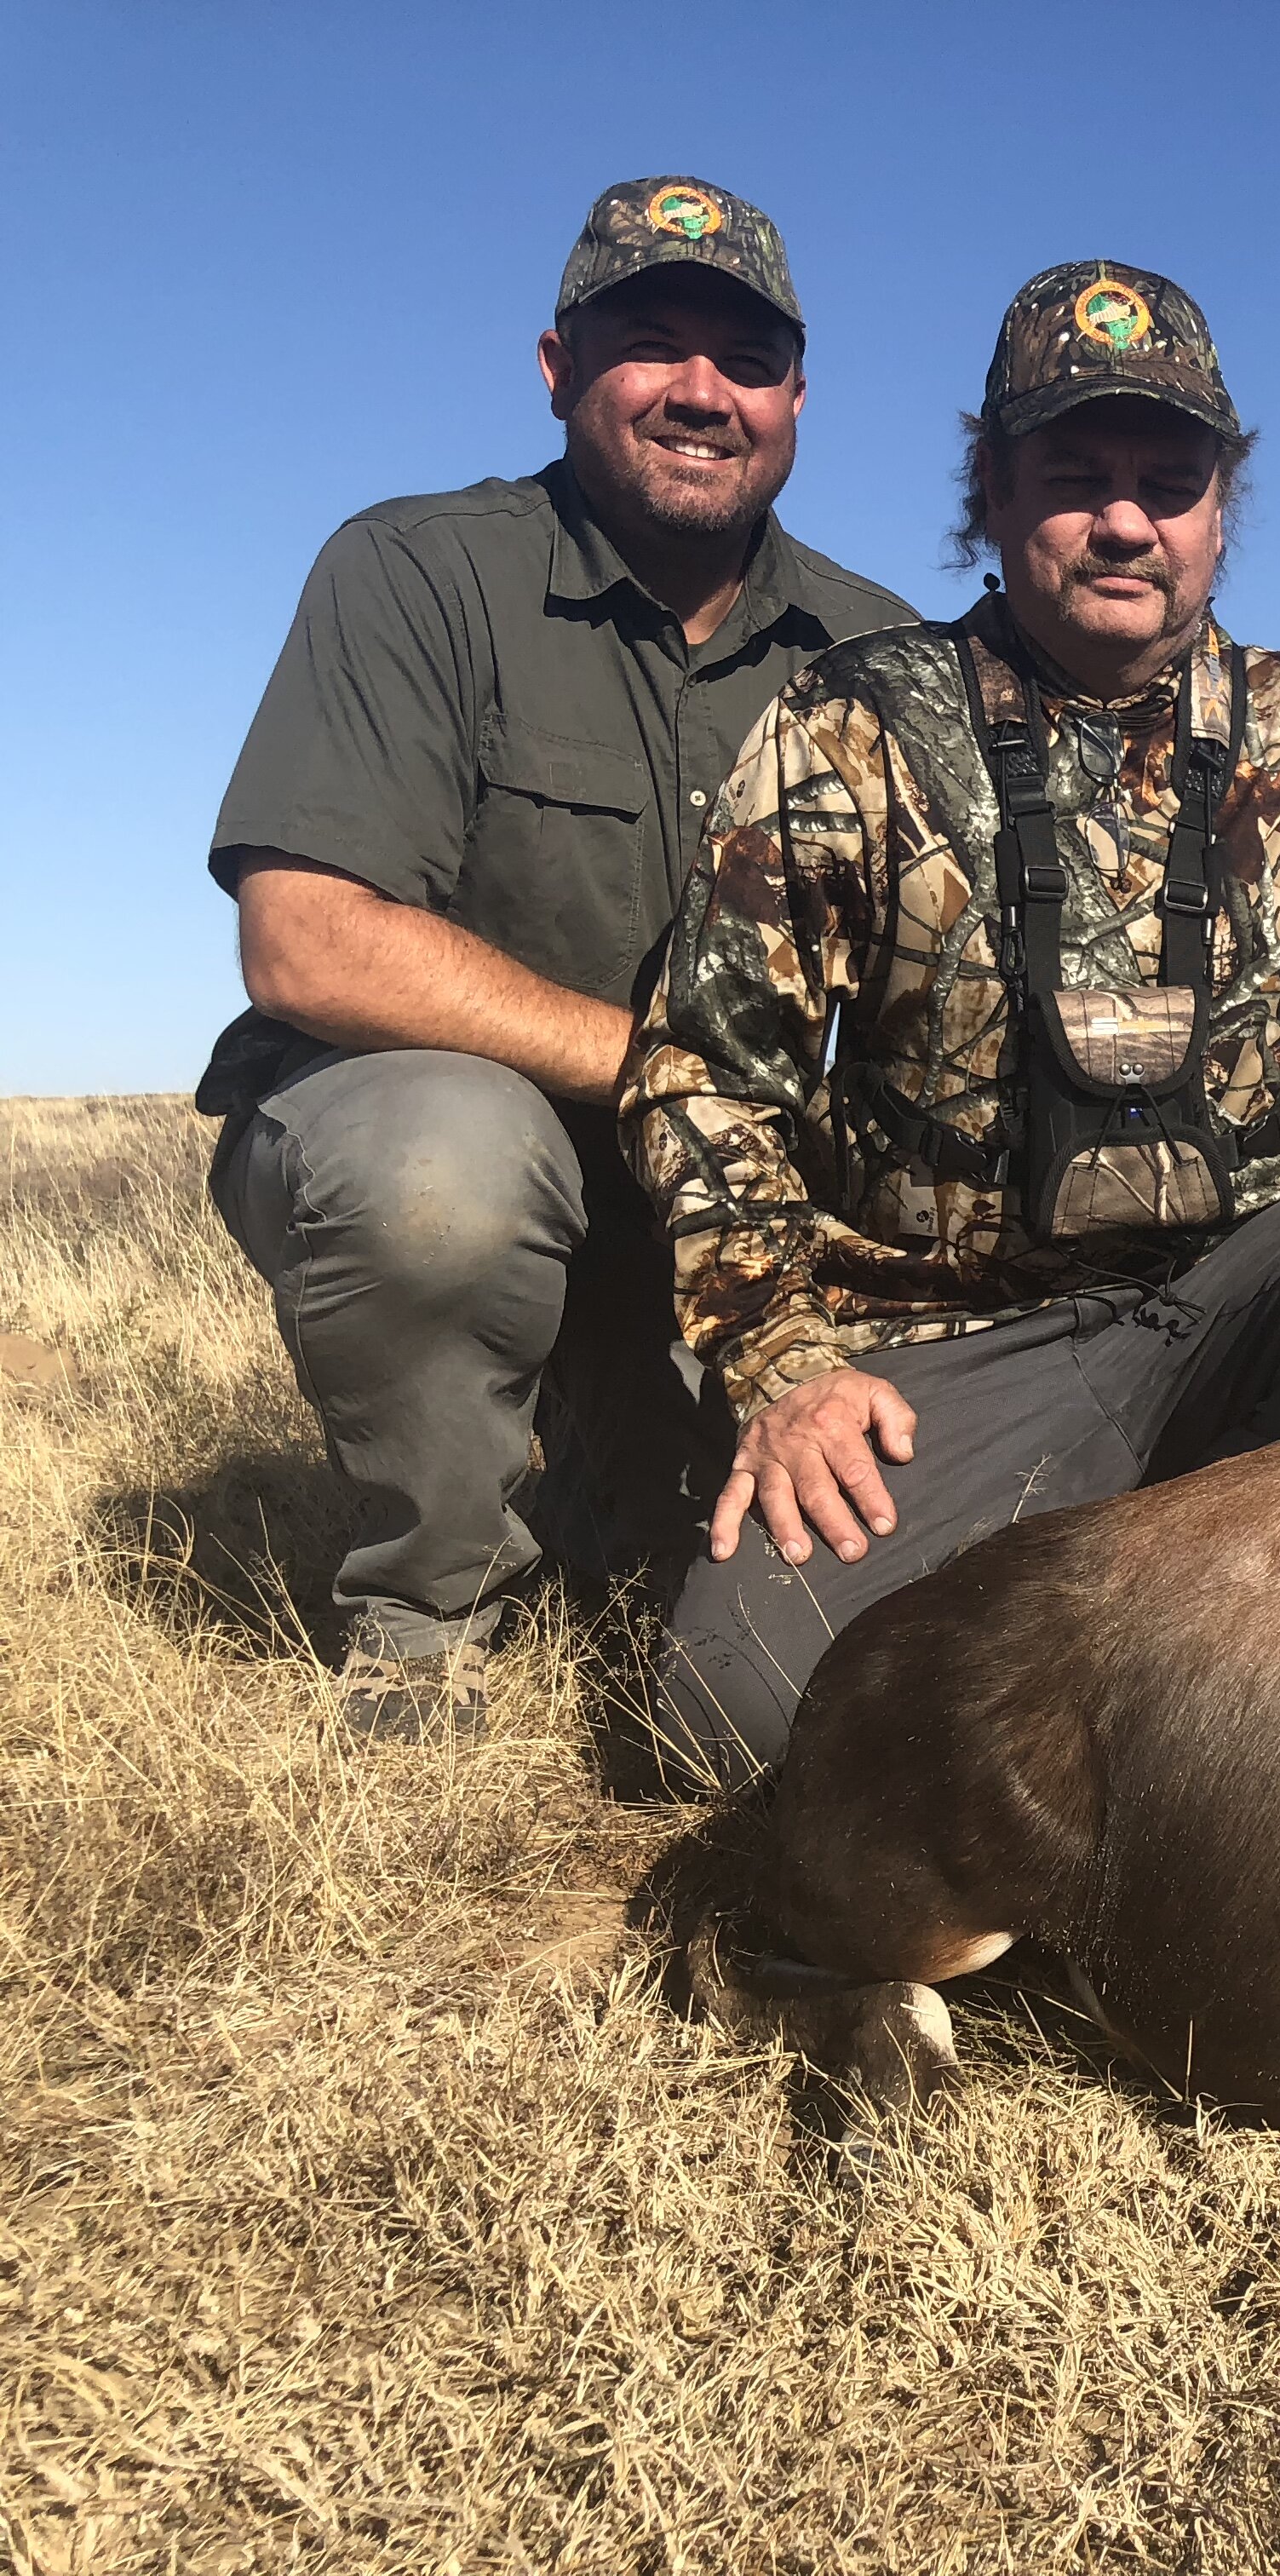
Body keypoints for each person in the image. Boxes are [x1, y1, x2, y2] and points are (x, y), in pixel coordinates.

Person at [623, 259, 1280, 1785]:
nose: (1127, 521)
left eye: (1167, 482)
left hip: (1249, 1334)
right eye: (1076, 476)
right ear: (989, 491)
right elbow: (702, 1077)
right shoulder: (850, 727)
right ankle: (1211, 1637)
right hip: (947, 1351)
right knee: (731, 1724)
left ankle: (1253, 1650)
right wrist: (783, 1365)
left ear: (1219, 508)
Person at [201, 179, 916, 1737]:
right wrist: (672, 1079)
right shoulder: (416, 570)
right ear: (554, 366)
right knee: (442, 1162)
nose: (699, 392)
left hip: (722, 1210)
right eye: (648, 343)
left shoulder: (882, 652)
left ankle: (606, 1486)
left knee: (705, 1573)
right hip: (479, 1153)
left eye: (745, 357)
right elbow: (306, 939)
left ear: (796, 394)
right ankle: (427, 1622)